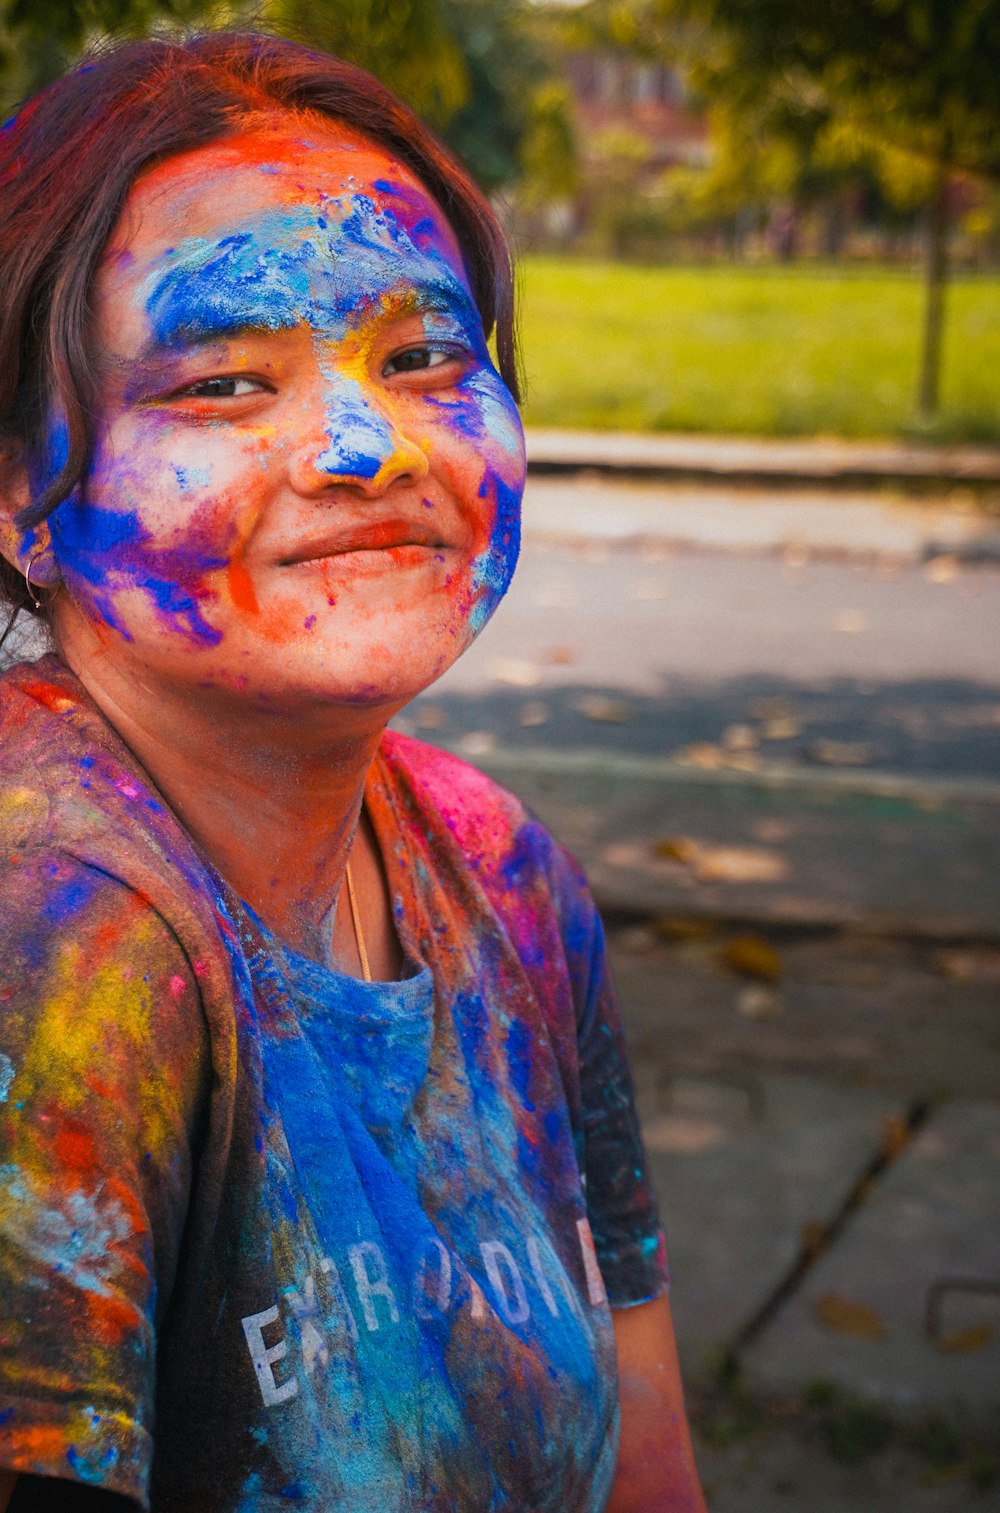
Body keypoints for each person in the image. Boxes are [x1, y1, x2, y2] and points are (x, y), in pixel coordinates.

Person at [0, 31, 707, 1513]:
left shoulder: (494, 866)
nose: (364, 443)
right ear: (20, 491)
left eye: (424, 356)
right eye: (227, 382)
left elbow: (644, 1442)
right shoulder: (52, 948)